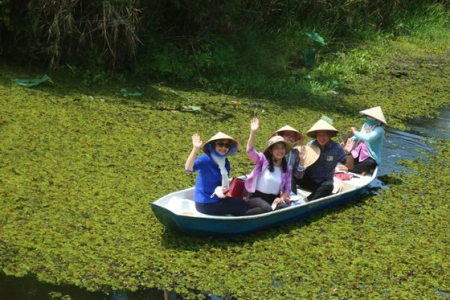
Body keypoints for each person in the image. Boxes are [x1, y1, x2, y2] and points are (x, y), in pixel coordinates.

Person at [184, 132, 248, 216]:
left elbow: (222, 185)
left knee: (241, 202)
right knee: (243, 205)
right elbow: (188, 168)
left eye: (227, 145)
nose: (223, 148)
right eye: (220, 144)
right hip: (205, 203)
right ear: (214, 145)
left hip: (218, 198)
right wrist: (195, 149)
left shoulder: (225, 163)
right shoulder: (205, 159)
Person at [244, 118, 294, 215]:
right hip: (255, 196)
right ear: (271, 151)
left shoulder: (287, 168)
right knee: (267, 209)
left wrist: (281, 198)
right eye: (277, 148)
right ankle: (242, 215)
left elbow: (287, 189)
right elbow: (250, 150)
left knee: (283, 207)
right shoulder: (263, 160)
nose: (280, 151)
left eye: (282, 148)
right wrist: (253, 132)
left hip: (272, 197)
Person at [295, 119, 347, 202]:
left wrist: (349, 153)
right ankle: (290, 196)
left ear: (330, 135)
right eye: (319, 135)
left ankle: (306, 200)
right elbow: (304, 162)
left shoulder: (337, 148)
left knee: (328, 186)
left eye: (324, 135)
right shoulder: (311, 144)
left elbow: (349, 165)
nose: (321, 138)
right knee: (292, 173)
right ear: (316, 136)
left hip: (323, 182)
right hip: (309, 179)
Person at [271, 125, 320, 194]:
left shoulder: (295, 152)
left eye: (293, 137)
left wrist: (302, 161)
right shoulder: (272, 149)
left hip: (287, 181)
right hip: (273, 179)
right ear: (281, 136)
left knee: (291, 177)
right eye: (288, 135)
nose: (290, 138)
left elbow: (298, 176)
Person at [340, 106, 387, 175]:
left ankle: (351, 170)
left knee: (370, 163)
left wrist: (355, 131)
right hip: (358, 152)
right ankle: (360, 169)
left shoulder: (379, 130)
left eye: (372, 117)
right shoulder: (365, 125)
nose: (370, 118)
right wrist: (348, 141)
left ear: (377, 120)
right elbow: (358, 137)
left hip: (369, 156)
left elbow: (368, 138)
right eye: (369, 116)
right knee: (342, 156)